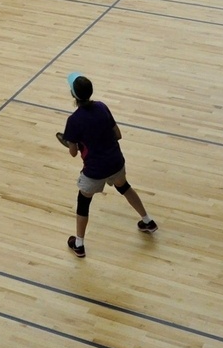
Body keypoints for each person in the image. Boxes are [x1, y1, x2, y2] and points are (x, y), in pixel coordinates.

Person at [60, 74, 157, 258]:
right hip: (116, 162)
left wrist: (76, 143)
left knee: (84, 201)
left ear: (73, 94)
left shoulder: (73, 121)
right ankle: (148, 221)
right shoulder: (102, 107)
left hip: (95, 171)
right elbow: (118, 134)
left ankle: (79, 245)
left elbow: (73, 152)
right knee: (125, 187)